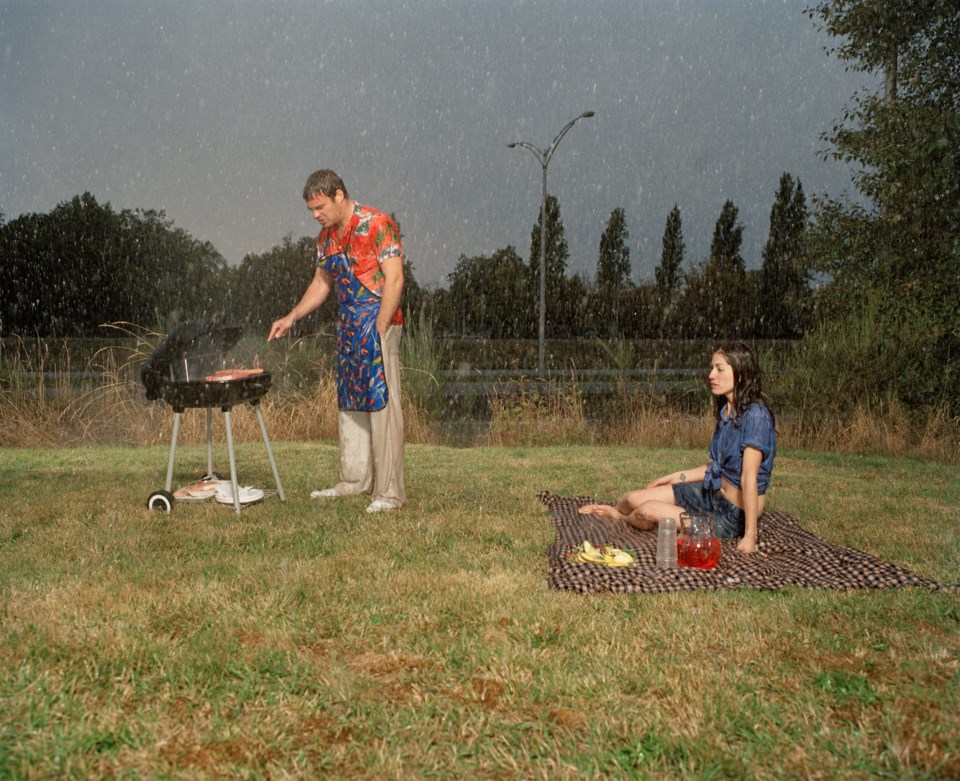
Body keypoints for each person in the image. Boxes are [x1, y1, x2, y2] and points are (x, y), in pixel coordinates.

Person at [268, 169, 405, 513]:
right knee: (351, 402)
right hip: (348, 325)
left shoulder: (377, 224)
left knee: (382, 404)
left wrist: (382, 324)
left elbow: (395, 277)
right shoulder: (325, 238)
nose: (316, 215)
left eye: (319, 207)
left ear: (339, 196)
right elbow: (321, 285)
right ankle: (354, 480)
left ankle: (389, 492)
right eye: (311, 210)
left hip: (378, 321)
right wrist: (291, 316)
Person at [579, 342, 775, 554]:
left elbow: (749, 478)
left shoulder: (755, 416)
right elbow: (717, 467)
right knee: (632, 499)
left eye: (719, 369)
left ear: (741, 374)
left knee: (646, 510)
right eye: (712, 368)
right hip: (711, 493)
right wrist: (676, 476)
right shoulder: (728, 410)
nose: (711, 375)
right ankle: (619, 511)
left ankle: (621, 518)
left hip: (732, 515)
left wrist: (750, 536)